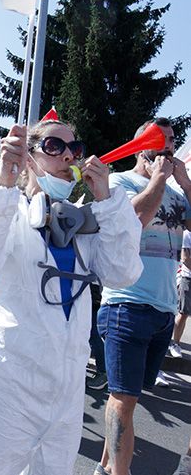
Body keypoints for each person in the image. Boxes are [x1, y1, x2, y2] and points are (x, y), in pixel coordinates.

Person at [0, 119, 142, 475]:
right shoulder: (9, 210)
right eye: (54, 146)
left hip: (66, 398)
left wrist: (107, 201)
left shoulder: (84, 225)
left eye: (74, 148)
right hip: (5, 390)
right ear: (29, 157)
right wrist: (4, 183)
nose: (68, 156)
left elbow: (123, 272)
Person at [96, 118, 191, 475]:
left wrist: (184, 182)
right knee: (123, 397)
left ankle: (104, 466)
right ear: (140, 147)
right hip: (126, 303)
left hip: (163, 309)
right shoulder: (119, 182)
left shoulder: (176, 192)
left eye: (171, 139)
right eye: (158, 138)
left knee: (128, 397)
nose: (167, 145)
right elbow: (134, 218)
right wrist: (158, 180)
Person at [169, 229, 191, 359]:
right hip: (187, 278)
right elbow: (185, 258)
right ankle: (174, 344)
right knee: (183, 313)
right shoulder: (188, 233)